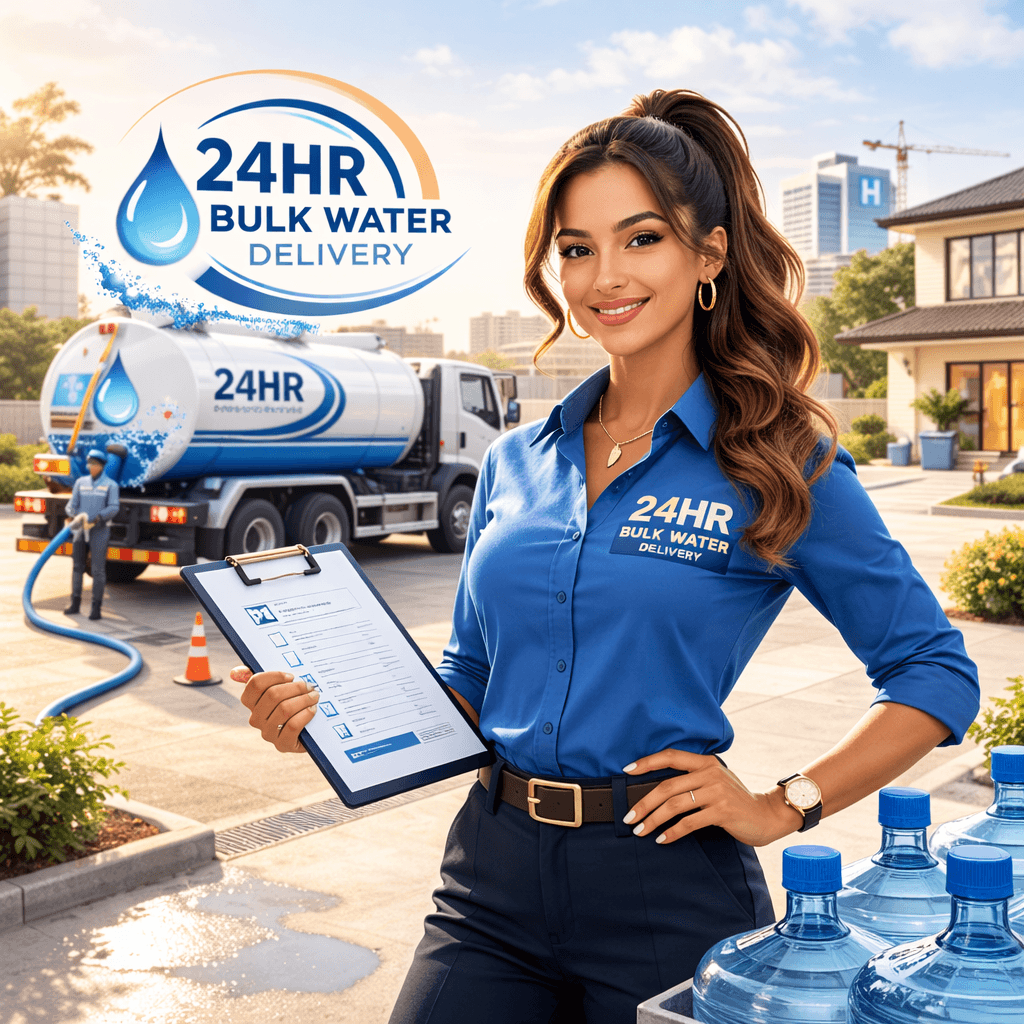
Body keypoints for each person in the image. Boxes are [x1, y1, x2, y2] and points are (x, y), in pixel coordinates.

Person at [234, 89, 980, 1024]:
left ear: (708, 254)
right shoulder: (516, 459)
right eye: (577, 249)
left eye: (641, 239)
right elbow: (469, 673)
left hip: (664, 888)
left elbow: (934, 672)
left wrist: (784, 804)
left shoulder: (780, 457)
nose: (603, 277)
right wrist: (328, 717)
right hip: (489, 878)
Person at [64, 448, 119, 621]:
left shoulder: (110, 485)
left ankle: (96, 607)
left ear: (102, 466)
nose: (91, 466)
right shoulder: (81, 482)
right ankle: (75, 603)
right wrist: (73, 514)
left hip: (99, 530)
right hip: (80, 530)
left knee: (97, 570)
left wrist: (98, 517)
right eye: (89, 463)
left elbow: (114, 507)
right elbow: (71, 505)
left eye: (94, 464)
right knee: (77, 567)